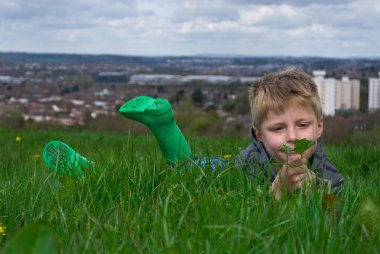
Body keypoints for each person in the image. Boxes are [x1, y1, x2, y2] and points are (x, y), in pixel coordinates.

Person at [43, 67, 344, 200]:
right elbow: (251, 208)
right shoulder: (253, 161)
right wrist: (277, 192)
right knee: (182, 172)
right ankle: (163, 123)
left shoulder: (326, 171)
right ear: (258, 135)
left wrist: (313, 190)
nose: (292, 136)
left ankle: (92, 171)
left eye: (302, 125)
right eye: (278, 128)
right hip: (227, 169)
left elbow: (334, 213)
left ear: (319, 127)